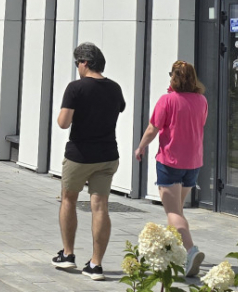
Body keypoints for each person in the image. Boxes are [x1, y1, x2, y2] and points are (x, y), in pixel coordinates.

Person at [52, 43, 127, 282]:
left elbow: (63, 123)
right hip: (107, 155)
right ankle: (96, 265)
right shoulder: (115, 88)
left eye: (77, 63)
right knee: (100, 206)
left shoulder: (76, 88)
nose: (77, 67)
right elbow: (119, 109)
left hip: (79, 155)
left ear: (85, 62)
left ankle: (68, 254)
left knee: (68, 199)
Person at [135, 60, 209, 278]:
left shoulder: (167, 100)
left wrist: (141, 147)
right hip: (193, 163)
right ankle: (177, 253)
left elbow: (152, 129)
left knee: (173, 212)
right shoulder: (202, 100)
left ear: (173, 77)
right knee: (178, 210)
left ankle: (191, 250)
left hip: (170, 161)